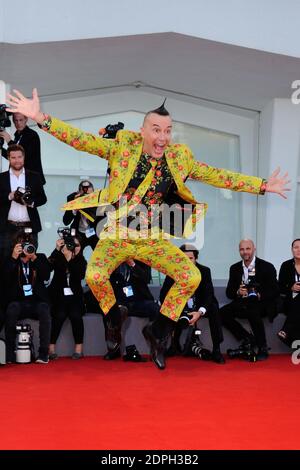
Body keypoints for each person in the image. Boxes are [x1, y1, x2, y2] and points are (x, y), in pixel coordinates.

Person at [6, 88, 290, 370]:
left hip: (150, 238)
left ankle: (158, 330)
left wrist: (263, 186)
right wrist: (41, 118)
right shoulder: (122, 148)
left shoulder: (179, 159)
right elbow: (82, 141)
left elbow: (218, 175)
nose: (163, 138)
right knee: (94, 275)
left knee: (190, 276)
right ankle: (113, 317)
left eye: (168, 131)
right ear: (142, 131)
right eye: (156, 130)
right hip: (117, 233)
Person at [160, 244, 225, 364]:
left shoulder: (205, 271)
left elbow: (208, 294)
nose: (187, 261)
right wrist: (178, 307)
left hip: (200, 305)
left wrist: (200, 312)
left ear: (196, 258)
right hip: (182, 305)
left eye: (190, 258)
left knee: (214, 308)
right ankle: (171, 345)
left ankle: (216, 349)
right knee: (165, 309)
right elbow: (163, 294)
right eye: (184, 258)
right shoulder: (173, 271)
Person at [84, 259, 159, 362]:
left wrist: (132, 264)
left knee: (155, 309)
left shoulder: (142, 259)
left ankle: (156, 349)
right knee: (110, 310)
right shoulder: (109, 261)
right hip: (118, 301)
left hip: (138, 300)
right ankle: (113, 349)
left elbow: (146, 278)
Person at [219, 239, 279, 360]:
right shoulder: (234, 268)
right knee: (221, 313)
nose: (245, 252)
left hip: (261, 303)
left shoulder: (267, 266)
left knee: (253, 311)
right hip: (242, 302)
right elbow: (229, 292)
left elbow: (275, 290)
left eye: (248, 249)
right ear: (239, 251)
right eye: (242, 249)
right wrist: (238, 292)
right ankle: (248, 338)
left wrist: (259, 294)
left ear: (254, 249)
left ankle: (262, 347)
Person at [4, 230, 51, 364]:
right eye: (22, 244)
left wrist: (34, 257)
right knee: (12, 308)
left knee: (44, 309)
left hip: (37, 301)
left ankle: (43, 354)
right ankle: (9, 354)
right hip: (18, 301)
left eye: (29, 244)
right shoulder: (11, 258)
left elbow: (46, 275)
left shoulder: (40, 257)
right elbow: (5, 279)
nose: (26, 247)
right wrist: (14, 257)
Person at [0, 144, 47, 260]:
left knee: (30, 260)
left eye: (19, 157)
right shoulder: (1, 178)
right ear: (9, 158)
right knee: (6, 262)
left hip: (29, 227)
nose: (17, 160)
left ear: (24, 157)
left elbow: (43, 198)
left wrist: (30, 202)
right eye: (13, 157)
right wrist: (9, 196)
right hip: (7, 228)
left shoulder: (34, 176)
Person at [48, 234, 87, 360]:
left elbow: (79, 276)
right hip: (59, 297)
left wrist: (70, 259)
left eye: (77, 245)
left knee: (76, 315)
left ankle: (78, 348)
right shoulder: (58, 257)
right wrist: (57, 250)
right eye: (72, 245)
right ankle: (51, 347)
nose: (74, 247)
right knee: (59, 315)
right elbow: (47, 268)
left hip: (75, 298)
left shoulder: (81, 261)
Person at [0, 112, 45, 184]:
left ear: (26, 119)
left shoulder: (32, 135)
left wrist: (9, 141)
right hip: (20, 178)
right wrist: (1, 150)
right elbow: (13, 157)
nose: (18, 123)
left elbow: (23, 155)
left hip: (31, 180)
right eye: (16, 120)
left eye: (21, 120)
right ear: (13, 121)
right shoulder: (17, 135)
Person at [63, 180, 98, 251]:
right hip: (78, 233)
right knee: (74, 252)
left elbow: (99, 220)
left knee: (99, 253)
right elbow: (66, 221)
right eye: (83, 196)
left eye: (88, 196)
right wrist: (74, 208)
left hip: (93, 232)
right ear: (78, 193)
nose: (86, 198)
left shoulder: (98, 201)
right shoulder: (73, 199)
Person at [277, 239, 300, 347]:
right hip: (289, 301)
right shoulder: (286, 265)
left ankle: (286, 331)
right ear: (292, 250)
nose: (299, 250)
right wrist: (291, 287)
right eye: (296, 247)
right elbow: (280, 287)